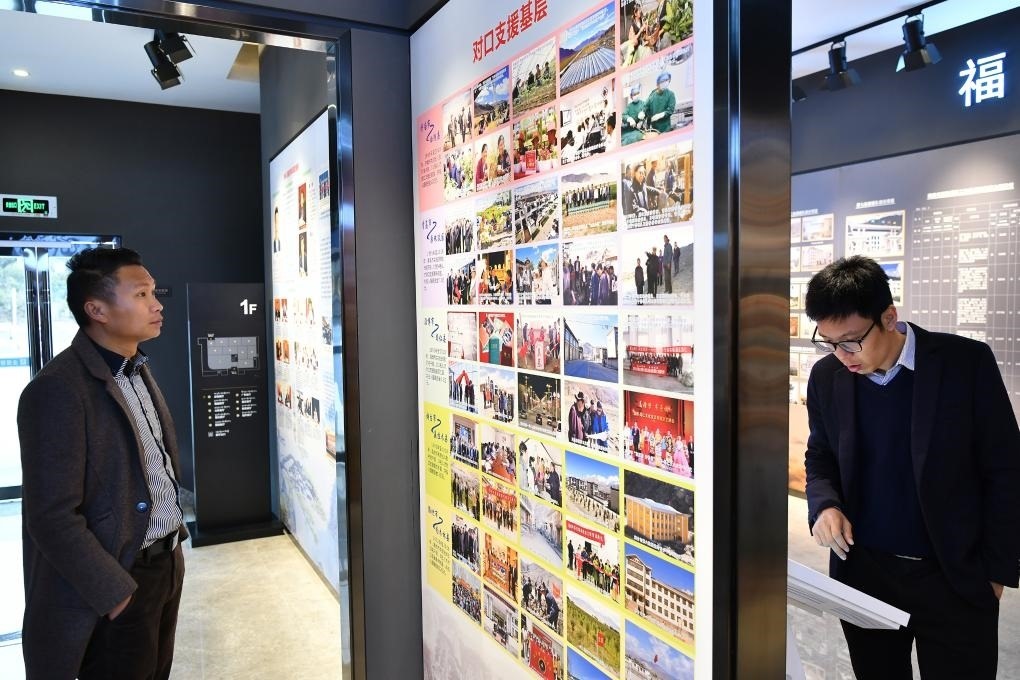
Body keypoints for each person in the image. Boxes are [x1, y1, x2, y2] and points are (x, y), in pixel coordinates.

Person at [804, 255, 1019, 680]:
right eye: (828, 342)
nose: (842, 355)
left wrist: (996, 572)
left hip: (953, 575)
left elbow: (1005, 469)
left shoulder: (964, 363)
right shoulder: (827, 377)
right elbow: (821, 455)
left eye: (851, 341)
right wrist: (824, 504)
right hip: (866, 576)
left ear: (888, 317)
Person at [18, 247, 186, 680]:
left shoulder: (135, 368)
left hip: (164, 564)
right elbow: (51, 516)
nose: (157, 304)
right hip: (120, 577)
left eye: (153, 292)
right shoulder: (57, 389)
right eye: (142, 294)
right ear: (97, 310)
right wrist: (115, 593)